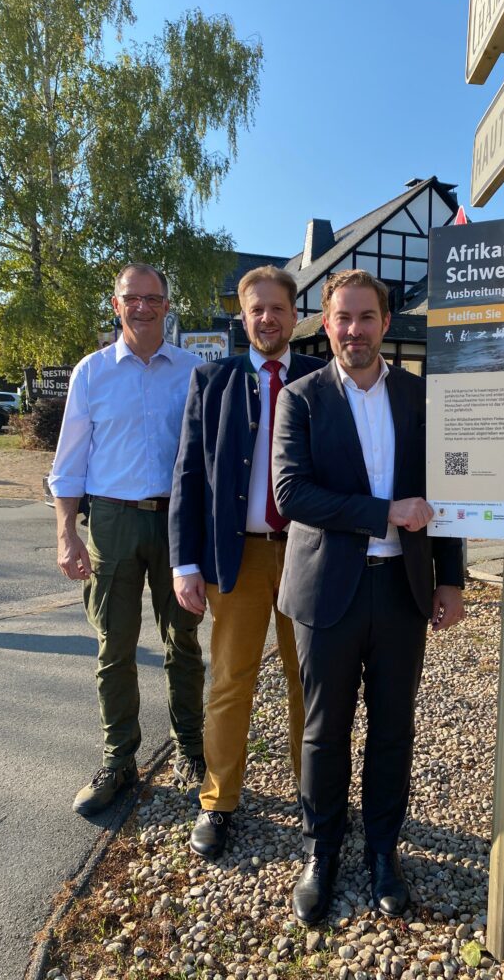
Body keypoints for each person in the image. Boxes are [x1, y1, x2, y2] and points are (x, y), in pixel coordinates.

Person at [273, 269, 465, 924]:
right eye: (342, 318)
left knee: (392, 731)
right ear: (325, 325)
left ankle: (384, 852)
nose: (353, 330)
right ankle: (321, 852)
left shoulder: (416, 396)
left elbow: (441, 496)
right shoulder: (300, 399)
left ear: (385, 323)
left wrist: (452, 577)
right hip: (329, 590)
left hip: (402, 591)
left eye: (365, 317)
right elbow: (291, 494)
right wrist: (385, 512)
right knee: (325, 734)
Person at [168, 265, 324, 859]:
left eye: (277, 308)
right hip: (236, 558)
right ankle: (218, 800)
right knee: (230, 681)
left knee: (308, 683)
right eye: (255, 309)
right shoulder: (213, 381)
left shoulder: (320, 378)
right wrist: (186, 563)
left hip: (309, 555)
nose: (267, 318)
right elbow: (187, 477)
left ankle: (314, 797)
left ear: (294, 314)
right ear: (242, 316)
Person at [49, 262, 205, 816]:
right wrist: (67, 533)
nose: (142, 307)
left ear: (168, 304)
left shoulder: (193, 372)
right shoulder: (91, 374)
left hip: (176, 523)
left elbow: (206, 462)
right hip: (111, 523)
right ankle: (119, 759)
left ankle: (192, 748)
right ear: (115, 305)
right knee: (113, 647)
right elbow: (68, 465)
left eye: (152, 298)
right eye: (131, 298)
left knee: (182, 642)